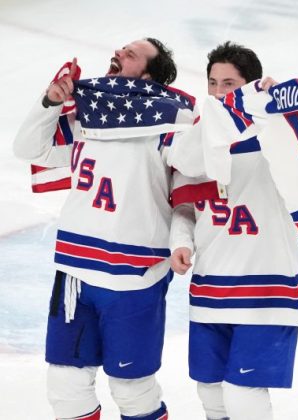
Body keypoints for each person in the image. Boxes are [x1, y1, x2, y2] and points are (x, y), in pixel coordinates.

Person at [13, 38, 203, 420]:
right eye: (120, 50)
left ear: (148, 76)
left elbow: (188, 192)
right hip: (75, 270)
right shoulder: (90, 112)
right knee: (65, 387)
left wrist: (182, 242)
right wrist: (50, 102)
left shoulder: (172, 123)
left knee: (133, 391)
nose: (118, 54)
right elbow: (29, 149)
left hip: (135, 275)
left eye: (130, 54)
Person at [170, 41, 298, 420]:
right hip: (210, 287)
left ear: (249, 87)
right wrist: (180, 242)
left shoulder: (276, 136)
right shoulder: (195, 141)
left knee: (243, 396)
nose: (217, 93)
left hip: (266, 288)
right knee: (211, 393)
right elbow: (184, 204)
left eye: (228, 84)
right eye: (212, 83)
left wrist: (278, 107)